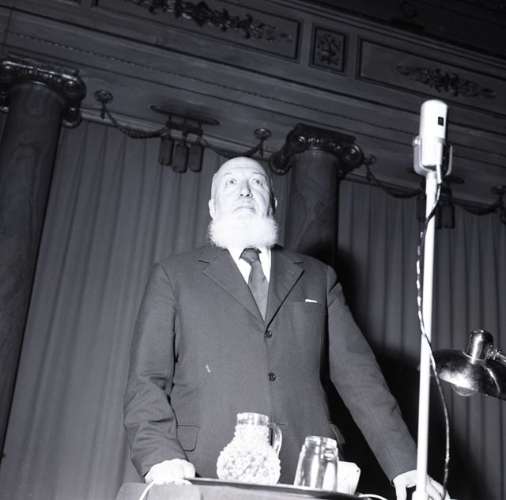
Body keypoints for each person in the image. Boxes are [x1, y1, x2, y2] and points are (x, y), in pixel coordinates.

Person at [124, 156, 449, 500]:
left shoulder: (317, 277)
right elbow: (146, 380)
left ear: (274, 203)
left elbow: (361, 379)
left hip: (306, 473)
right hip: (202, 469)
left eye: (257, 182)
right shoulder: (174, 275)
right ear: (212, 206)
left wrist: (405, 465)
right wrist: (159, 455)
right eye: (231, 183)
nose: (245, 191)